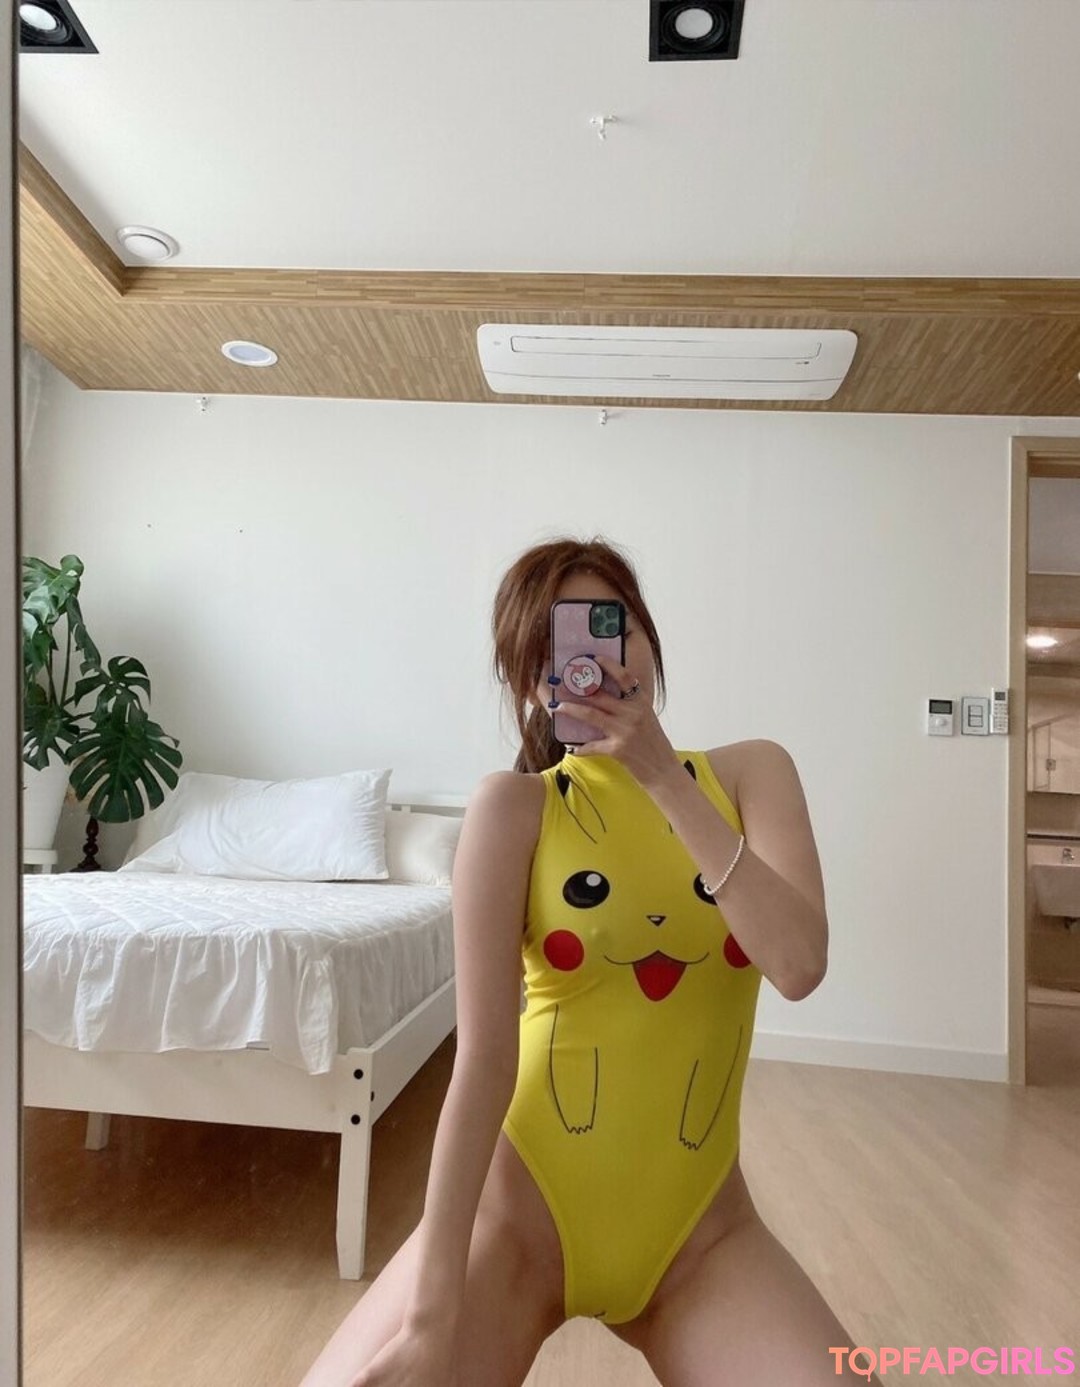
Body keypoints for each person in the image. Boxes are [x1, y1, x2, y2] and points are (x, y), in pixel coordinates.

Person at [300, 537, 882, 1387]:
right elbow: (482, 1061)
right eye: (552, 643)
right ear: (527, 681)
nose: (590, 659)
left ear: (646, 638)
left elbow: (798, 964)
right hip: (516, 1223)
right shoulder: (513, 808)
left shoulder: (753, 774)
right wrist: (430, 1318)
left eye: (609, 625)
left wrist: (665, 779)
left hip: (702, 1239)